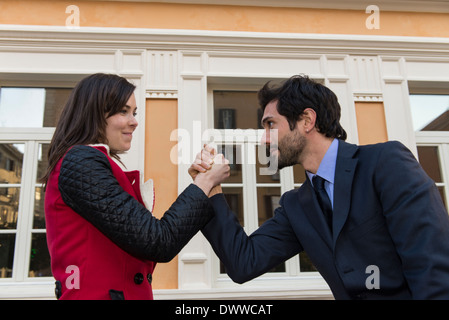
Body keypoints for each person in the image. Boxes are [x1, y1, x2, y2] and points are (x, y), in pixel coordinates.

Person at [191, 75, 449, 299]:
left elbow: (432, 265)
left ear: (306, 120)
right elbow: (242, 263)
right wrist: (210, 189)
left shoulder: (384, 163)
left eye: (270, 124)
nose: (264, 138)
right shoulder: (296, 205)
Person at [42, 73, 230, 300]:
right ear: (94, 113)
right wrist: (205, 182)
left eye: (134, 112)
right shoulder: (81, 162)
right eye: (123, 111)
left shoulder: (87, 163)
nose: (134, 121)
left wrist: (202, 182)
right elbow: (158, 241)